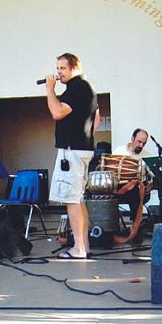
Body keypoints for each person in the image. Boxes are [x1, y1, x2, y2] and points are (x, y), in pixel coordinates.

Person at [45, 53, 100, 259]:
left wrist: (50, 90)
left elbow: (57, 112)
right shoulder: (87, 88)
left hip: (72, 151)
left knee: (71, 200)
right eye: (57, 68)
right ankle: (84, 244)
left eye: (63, 68)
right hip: (82, 148)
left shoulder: (76, 87)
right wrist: (85, 138)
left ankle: (78, 249)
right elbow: (97, 117)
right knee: (78, 199)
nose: (59, 72)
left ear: (75, 67)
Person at [112, 128, 153, 224]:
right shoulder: (119, 151)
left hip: (137, 190)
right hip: (119, 188)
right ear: (132, 138)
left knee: (135, 192)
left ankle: (135, 228)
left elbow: (155, 174)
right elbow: (111, 169)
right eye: (139, 142)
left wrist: (152, 183)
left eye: (144, 143)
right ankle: (112, 229)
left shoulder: (147, 156)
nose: (141, 145)